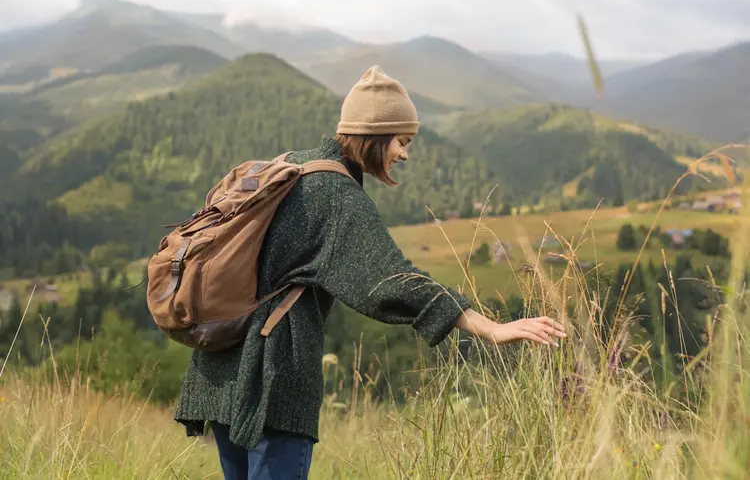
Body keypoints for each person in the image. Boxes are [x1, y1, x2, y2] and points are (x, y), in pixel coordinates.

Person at [173, 65, 566, 479]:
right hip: (270, 378)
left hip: (219, 364)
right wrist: (490, 327)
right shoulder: (337, 195)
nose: (404, 154)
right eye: (401, 141)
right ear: (375, 135)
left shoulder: (289, 165)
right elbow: (389, 282)